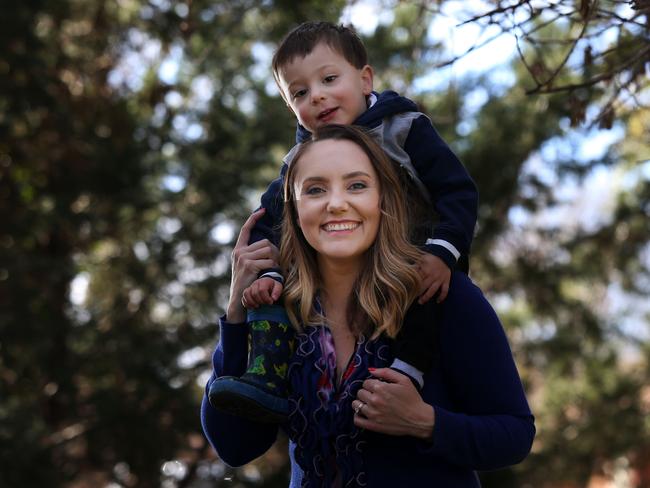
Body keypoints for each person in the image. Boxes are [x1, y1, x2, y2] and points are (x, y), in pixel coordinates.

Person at [201, 125, 535, 487]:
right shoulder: (278, 308)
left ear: (384, 200)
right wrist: (235, 314)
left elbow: (514, 435)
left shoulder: (439, 294)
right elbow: (235, 446)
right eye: (315, 189)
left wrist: (424, 421)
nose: (337, 203)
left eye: (357, 185)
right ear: (294, 210)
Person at [208, 21, 479, 421]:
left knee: (427, 295)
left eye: (329, 79)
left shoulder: (403, 129)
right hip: (332, 280)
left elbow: (457, 191)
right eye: (300, 92)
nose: (317, 96)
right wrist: (262, 279)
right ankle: (266, 374)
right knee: (270, 296)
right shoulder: (298, 164)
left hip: (418, 257)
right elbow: (269, 224)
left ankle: (407, 373)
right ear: (290, 108)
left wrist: (443, 251)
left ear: (365, 79)